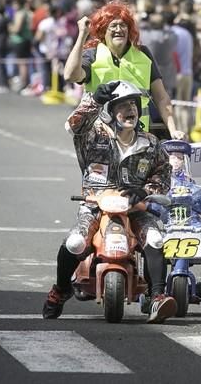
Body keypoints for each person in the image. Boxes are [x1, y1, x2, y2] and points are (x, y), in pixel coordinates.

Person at [42, 80, 177, 323]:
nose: (130, 110)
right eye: (123, 105)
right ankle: (61, 289)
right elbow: (73, 125)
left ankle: (157, 296)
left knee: (156, 238)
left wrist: (145, 190)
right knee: (74, 243)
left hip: (134, 208)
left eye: (134, 105)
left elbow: (163, 172)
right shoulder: (93, 135)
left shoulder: (151, 143)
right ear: (110, 111)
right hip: (95, 205)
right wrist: (94, 101)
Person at [63, 0, 185, 140]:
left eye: (123, 25)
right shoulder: (93, 54)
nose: (119, 29)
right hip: (100, 138)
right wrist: (82, 35)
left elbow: (162, 97)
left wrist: (173, 130)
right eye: (113, 26)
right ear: (103, 30)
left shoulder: (143, 54)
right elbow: (70, 75)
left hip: (137, 137)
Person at [150, 140, 201, 299]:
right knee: (147, 247)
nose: (175, 161)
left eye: (180, 157)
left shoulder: (195, 190)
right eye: (171, 157)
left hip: (196, 234)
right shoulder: (158, 190)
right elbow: (147, 211)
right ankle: (152, 290)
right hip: (168, 234)